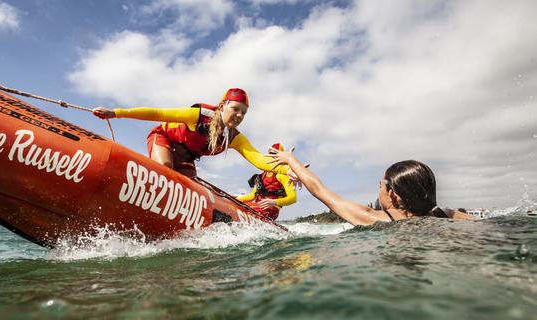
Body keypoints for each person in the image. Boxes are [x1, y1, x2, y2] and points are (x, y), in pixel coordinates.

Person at [92, 88, 289, 178]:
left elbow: (258, 160)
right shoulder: (198, 115)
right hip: (163, 137)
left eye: (243, 113)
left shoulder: (235, 138)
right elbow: (158, 113)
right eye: (235, 109)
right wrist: (116, 113)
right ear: (222, 106)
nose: (239, 115)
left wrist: (288, 169)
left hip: (185, 154)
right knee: (166, 170)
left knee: (188, 182)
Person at [265, 149, 476, 225]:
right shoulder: (445, 215)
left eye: (380, 188)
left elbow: (320, 191)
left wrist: (290, 160)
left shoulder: (376, 218)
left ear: (392, 195)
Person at [236, 143, 297, 220]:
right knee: (236, 204)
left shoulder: (283, 175)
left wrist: (274, 202)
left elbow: (293, 198)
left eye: (275, 154)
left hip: (271, 210)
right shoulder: (260, 177)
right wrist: (235, 199)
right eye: (270, 154)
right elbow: (252, 196)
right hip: (256, 205)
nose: (272, 157)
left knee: (240, 207)